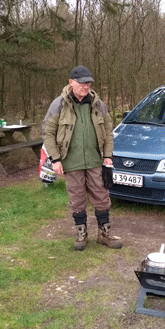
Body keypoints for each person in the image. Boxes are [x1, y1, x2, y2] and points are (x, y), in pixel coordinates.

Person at [42, 65, 122, 251]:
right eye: (82, 83)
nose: (86, 87)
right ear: (71, 83)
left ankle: (104, 233)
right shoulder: (58, 105)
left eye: (88, 83)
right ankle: (81, 234)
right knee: (77, 199)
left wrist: (108, 156)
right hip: (71, 161)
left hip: (95, 160)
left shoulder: (97, 104)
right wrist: (55, 159)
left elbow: (108, 132)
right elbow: (48, 133)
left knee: (102, 196)